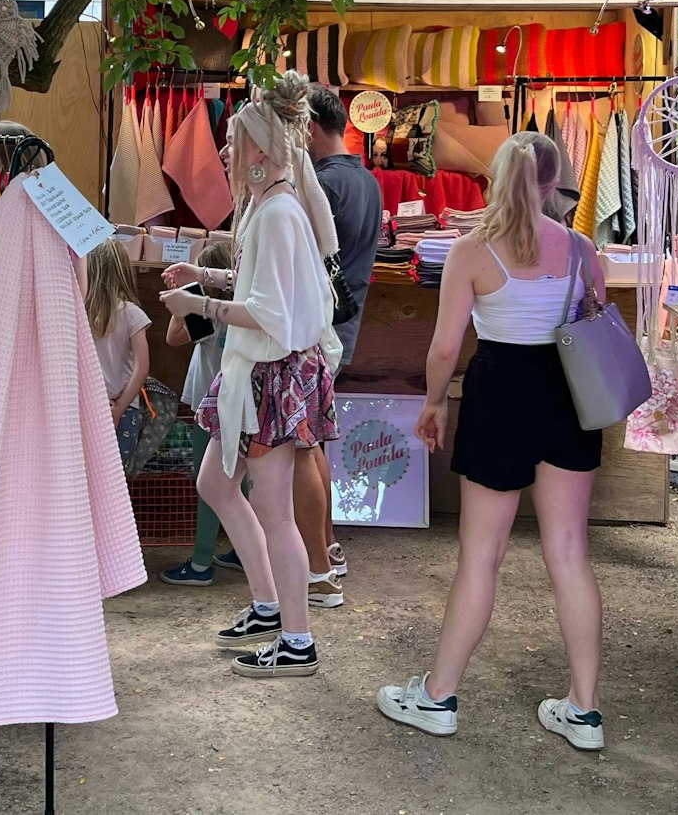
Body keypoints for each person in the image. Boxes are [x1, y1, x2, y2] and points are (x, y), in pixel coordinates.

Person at [374, 131, 608, 750]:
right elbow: (596, 322)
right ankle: (584, 712)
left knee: (481, 557)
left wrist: (432, 403)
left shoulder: (472, 251)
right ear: (555, 180)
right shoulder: (583, 249)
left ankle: (437, 697)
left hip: (499, 393)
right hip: (568, 396)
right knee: (568, 552)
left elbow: (446, 346)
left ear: (496, 177)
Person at [160, 72, 342, 677]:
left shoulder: (277, 213)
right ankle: (269, 607)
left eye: (235, 144)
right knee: (216, 484)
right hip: (261, 372)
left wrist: (196, 306)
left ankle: (297, 640)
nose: (227, 154)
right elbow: (264, 288)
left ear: (262, 149)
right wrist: (202, 275)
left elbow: (269, 312)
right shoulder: (270, 206)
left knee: (275, 514)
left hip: (272, 377)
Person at [301, 82, 382, 593]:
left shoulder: (324, 186)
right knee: (312, 445)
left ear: (308, 128)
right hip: (339, 326)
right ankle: (323, 546)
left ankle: (320, 555)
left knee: (305, 446)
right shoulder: (364, 180)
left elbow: (301, 264)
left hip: (319, 327)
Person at [158, 241, 234, 586]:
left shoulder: (204, 310)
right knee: (242, 481)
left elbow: (173, 339)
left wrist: (179, 303)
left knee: (208, 485)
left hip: (208, 404)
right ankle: (247, 550)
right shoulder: (239, 308)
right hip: (239, 403)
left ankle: (201, 562)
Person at [85, 239, 152, 461]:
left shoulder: (78, 312)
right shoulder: (133, 314)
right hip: (124, 406)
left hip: (85, 405)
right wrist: (119, 408)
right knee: (116, 480)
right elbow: (142, 368)